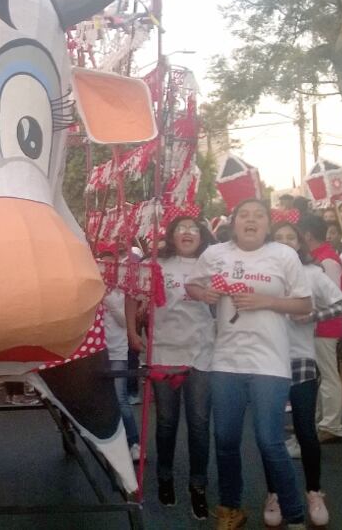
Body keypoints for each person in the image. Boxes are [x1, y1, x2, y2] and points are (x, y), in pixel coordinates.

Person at [186, 199, 312, 530]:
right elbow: (192, 283)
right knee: (225, 439)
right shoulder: (215, 254)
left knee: (270, 441)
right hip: (226, 360)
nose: (251, 220)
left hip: (270, 362)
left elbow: (304, 303)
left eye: (259, 216)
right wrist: (205, 294)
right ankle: (230, 508)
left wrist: (266, 301)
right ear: (233, 222)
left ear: (268, 225)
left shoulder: (284, 255)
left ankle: (295, 515)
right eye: (244, 215)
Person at [135, 216, 214, 520]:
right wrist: (133, 331)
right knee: (167, 421)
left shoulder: (212, 263)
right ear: (170, 236)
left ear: (202, 236)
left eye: (193, 229)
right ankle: (164, 477)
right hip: (165, 350)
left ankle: (199, 485)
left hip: (202, 351)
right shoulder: (155, 264)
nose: (187, 233)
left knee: (199, 422)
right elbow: (135, 298)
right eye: (181, 229)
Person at [271, 222, 342, 527]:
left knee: (305, 430)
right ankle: (274, 493)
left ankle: (314, 491)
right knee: (271, 435)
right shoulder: (262, 272)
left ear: (301, 242)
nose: (285, 242)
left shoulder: (313, 273)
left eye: (291, 236)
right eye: (278, 237)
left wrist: (313, 315)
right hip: (266, 361)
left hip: (301, 359)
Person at [300, 215, 342, 444]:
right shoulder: (319, 257)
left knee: (329, 376)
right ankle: (323, 420)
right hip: (317, 325)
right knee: (324, 376)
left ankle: (332, 425)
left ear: (307, 234)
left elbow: (332, 297)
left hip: (325, 325)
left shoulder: (327, 260)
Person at [95, 241, 142, 462]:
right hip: (95, 353)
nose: (107, 266)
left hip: (117, 352)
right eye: (103, 262)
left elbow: (126, 321)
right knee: (100, 400)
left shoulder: (122, 291)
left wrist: (109, 300)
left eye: (110, 262)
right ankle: (108, 443)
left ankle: (134, 442)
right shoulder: (90, 287)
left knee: (121, 399)